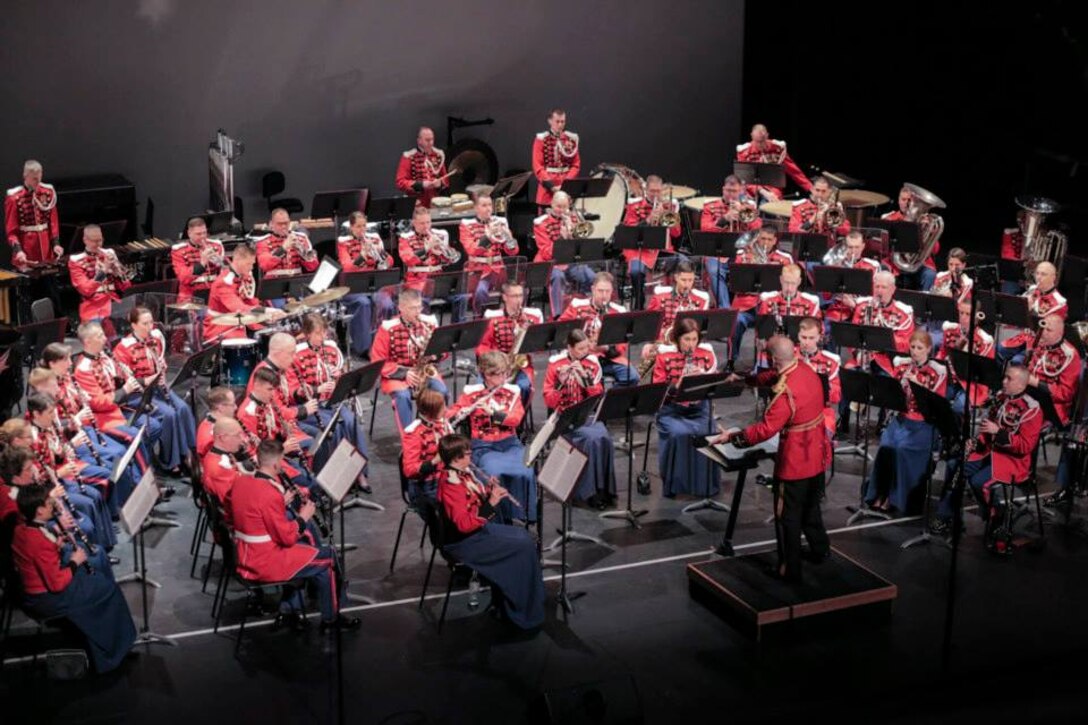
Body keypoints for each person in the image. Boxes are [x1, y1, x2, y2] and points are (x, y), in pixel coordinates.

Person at [715, 335, 831, 582]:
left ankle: (790, 570)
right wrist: (746, 380)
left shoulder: (786, 393)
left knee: (787, 517)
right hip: (818, 455)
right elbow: (773, 376)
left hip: (795, 463)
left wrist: (734, 437)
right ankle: (821, 551)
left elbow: (765, 430)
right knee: (811, 509)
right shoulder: (806, 370)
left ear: (773, 359)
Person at [230, 440, 359, 632]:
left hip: (244, 553)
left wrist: (279, 504)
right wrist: (303, 517)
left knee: (307, 543)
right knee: (330, 558)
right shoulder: (268, 493)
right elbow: (287, 538)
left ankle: (290, 609)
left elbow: (256, 513)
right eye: (281, 461)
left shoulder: (241, 482)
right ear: (275, 464)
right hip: (264, 561)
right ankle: (331, 620)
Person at [8, 482, 136, 672]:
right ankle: (109, 655)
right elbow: (57, 584)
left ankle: (111, 642)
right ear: (40, 511)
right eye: (49, 502)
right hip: (46, 599)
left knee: (97, 579)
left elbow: (37, 557)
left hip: (34, 590)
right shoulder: (37, 541)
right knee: (106, 589)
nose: (53, 504)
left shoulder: (21, 529)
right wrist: (75, 561)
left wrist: (56, 545)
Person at [435, 434, 545, 631]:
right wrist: (492, 503)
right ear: (456, 458)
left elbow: (472, 499)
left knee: (524, 538)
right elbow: (464, 524)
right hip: (466, 542)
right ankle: (520, 613)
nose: (471, 458)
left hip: (477, 533)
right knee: (524, 545)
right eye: (468, 454)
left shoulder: (462, 471)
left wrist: (487, 490)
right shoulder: (451, 484)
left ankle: (512, 603)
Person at [935, 365, 1042, 546]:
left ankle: (996, 516)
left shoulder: (1032, 409)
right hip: (989, 451)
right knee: (955, 465)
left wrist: (999, 433)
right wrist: (976, 442)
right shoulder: (1000, 398)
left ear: (1022, 385)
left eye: (1009, 379)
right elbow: (986, 430)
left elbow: (1025, 446)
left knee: (979, 482)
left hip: (1012, 460)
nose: (1004, 381)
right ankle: (949, 518)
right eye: (1004, 377)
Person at [862, 331, 947, 515]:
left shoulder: (938, 371)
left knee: (901, 449)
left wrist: (921, 388)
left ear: (929, 349)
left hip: (923, 423)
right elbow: (893, 395)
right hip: (902, 418)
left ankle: (896, 498)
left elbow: (936, 405)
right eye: (913, 347)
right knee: (885, 446)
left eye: (919, 348)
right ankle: (880, 493)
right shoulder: (902, 365)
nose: (915, 352)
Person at [447, 352, 536, 521]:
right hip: (484, 447)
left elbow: (516, 419)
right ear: (486, 374)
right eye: (498, 374)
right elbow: (451, 413)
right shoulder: (472, 394)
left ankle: (520, 515)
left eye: (505, 373)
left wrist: (493, 413)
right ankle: (496, 518)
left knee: (526, 471)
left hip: (510, 444)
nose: (503, 378)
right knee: (493, 472)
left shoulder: (512, 392)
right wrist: (461, 412)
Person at [113, 306, 198, 472]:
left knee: (183, 408)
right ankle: (171, 462)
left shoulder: (156, 339)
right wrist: (148, 380)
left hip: (158, 387)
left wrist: (161, 371)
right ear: (134, 325)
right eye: (145, 323)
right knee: (169, 414)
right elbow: (125, 380)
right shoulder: (123, 348)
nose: (149, 327)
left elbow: (158, 361)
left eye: (151, 322)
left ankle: (190, 452)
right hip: (138, 394)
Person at [542, 329, 617, 508]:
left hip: (586, 414)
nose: (585, 352)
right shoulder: (555, 365)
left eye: (586, 348)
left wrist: (586, 379)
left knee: (604, 437)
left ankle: (603, 490)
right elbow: (549, 400)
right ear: (569, 348)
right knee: (590, 440)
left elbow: (598, 395)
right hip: (565, 417)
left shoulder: (592, 362)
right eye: (580, 349)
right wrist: (561, 382)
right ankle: (589, 493)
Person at [652, 318, 719, 498]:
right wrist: (677, 385)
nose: (691, 344)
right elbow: (657, 392)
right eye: (686, 340)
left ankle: (704, 486)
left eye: (694, 339)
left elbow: (715, 383)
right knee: (679, 433)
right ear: (677, 339)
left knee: (709, 431)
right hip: (671, 410)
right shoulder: (664, 357)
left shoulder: (707, 355)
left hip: (699, 408)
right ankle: (676, 485)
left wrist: (703, 378)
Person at [371, 288, 449, 429]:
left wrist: (435, 354)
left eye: (419, 306)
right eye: (413, 308)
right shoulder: (388, 328)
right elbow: (377, 360)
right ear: (401, 308)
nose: (418, 311)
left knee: (442, 391)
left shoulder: (429, 323)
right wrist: (404, 374)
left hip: (424, 370)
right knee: (402, 397)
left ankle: (434, 429)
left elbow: (443, 350)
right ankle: (409, 435)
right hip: (397, 375)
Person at [726, 227, 794, 372]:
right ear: (757, 238)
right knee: (736, 321)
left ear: (775, 241)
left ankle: (765, 364)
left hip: (772, 306)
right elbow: (736, 284)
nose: (766, 242)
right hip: (746, 305)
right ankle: (732, 360)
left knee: (767, 324)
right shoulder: (744, 255)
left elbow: (791, 285)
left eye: (769, 240)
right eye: (763, 239)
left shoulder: (785, 259)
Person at [558, 272, 636, 386]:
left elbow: (623, 345)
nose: (604, 295)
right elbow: (561, 330)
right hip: (582, 359)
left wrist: (606, 348)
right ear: (593, 289)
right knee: (585, 383)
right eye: (600, 291)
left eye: (607, 291)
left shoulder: (619, 311)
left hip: (608, 360)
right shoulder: (576, 306)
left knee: (632, 377)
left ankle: (609, 402)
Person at [336, 210, 396, 357]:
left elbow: (390, 262)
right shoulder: (343, 243)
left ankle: (385, 344)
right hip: (353, 286)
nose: (362, 230)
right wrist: (362, 256)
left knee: (387, 304)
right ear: (351, 227)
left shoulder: (374, 240)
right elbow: (347, 267)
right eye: (358, 226)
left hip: (374, 283)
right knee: (363, 304)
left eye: (364, 226)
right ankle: (365, 348)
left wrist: (379, 253)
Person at [698, 174, 762, 308]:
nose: (731, 195)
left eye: (735, 191)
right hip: (719, 251)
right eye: (728, 191)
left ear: (741, 191)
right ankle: (725, 309)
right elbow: (704, 229)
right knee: (714, 270)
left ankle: (746, 307)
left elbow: (758, 229)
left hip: (743, 250)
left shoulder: (748, 206)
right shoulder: (710, 206)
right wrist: (724, 219)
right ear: (723, 189)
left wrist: (743, 212)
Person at [476, 281, 544, 405]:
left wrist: (530, 333)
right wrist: (494, 359)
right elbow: (482, 346)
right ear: (505, 297)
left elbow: (540, 348)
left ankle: (517, 419)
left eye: (520, 295)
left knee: (523, 387)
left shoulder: (532, 317)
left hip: (520, 366)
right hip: (494, 366)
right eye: (515, 296)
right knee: (479, 387)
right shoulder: (493, 318)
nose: (519, 300)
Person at [620, 175, 683, 306]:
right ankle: (639, 303)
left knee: (685, 263)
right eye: (652, 191)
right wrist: (647, 220)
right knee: (636, 271)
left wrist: (665, 218)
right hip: (639, 250)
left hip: (661, 249)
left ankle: (676, 301)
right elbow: (629, 232)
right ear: (645, 190)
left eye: (658, 191)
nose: (655, 195)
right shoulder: (634, 206)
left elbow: (676, 234)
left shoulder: (669, 206)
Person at [204, 244, 286, 343]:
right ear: (238, 260)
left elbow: (250, 302)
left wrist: (271, 311)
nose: (251, 268)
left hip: (238, 320)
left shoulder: (243, 276)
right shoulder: (223, 283)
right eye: (249, 264)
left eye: (252, 264)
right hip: (221, 327)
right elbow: (239, 308)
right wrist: (267, 313)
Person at [531, 190, 596, 315]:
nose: (561, 210)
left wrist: (572, 235)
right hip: (548, 263)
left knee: (591, 277)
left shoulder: (572, 218)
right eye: (558, 206)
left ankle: (580, 306)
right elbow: (546, 252)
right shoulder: (541, 223)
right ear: (551, 204)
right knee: (558, 277)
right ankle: (557, 315)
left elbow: (580, 247)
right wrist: (562, 239)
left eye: (565, 207)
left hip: (569, 262)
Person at [397, 206, 465, 320]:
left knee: (461, 297)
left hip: (438, 280)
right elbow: (408, 259)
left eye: (428, 222)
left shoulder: (439, 235)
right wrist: (427, 248)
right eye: (422, 223)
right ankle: (426, 330)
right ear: (414, 223)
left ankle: (455, 330)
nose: (426, 226)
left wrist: (442, 252)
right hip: (417, 282)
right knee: (422, 301)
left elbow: (448, 261)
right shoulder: (406, 239)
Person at [459, 195, 519, 314]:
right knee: (481, 292)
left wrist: (509, 237)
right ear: (476, 208)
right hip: (478, 271)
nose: (488, 209)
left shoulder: (500, 222)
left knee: (517, 291)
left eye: (490, 205)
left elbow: (513, 252)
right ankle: (480, 318)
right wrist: (488, 237)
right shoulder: (467, 225)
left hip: (499, 270)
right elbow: (471, 250)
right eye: (484, 205)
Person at [848, 271, 915, 376]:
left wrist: (880, 340)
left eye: (884, 287)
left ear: (893, 290)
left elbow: (905, 344)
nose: (879, 291)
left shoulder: (904, 313)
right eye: (877, 286)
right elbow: (852, 336)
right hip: (862, 358)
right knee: (847, 375)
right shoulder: (863, 306)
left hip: (887, 362)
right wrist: (857, 354)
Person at [998, 261, 1067, 359]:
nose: (1038, 277)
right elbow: (1015, 317)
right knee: (1000, 349)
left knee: (1017, 361)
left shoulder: (1059, 303)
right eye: (1037, 273)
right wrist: (1024, 306)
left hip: (1040, 344)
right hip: (1025, 336)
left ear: (1053, 277)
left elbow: (1050, 331)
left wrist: (1031, 311)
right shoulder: (1033, 290)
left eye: (1043, 274)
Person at [937, 299, 995, 412]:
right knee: (937, 397)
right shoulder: (950, 330)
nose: (963, 317)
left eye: (968, 314)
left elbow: (985, 372)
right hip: (950, 377)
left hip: (972, 384)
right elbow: (942, 352)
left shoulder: (984, 341)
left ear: (976, 317)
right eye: (961, 313)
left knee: (958, 407)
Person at [1023, 315, 1081, 427]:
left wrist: (1036, 383)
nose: (1043, 332)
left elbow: (1066, 394)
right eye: (1043, 328)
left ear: (1060, 334)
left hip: (1053, 406)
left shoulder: (1069, 355)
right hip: (1032, 395)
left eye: (1049, 330)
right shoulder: (1040, 344)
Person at [67, 224, 131, 323]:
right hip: (93, 308)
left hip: (115, 303)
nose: (98, 244)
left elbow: (127, 288)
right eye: (94, 241)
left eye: (100, 240)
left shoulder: (108, 254)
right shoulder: (76, 261)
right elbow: (86, 290)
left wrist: (117, 272)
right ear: (85, 240)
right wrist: (104, 270)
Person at [401, 389, 454, 506]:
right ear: (431, 412)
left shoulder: (441, 424)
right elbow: (409, 470)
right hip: (426, 486)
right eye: (442, 407)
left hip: (446, 478)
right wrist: (435, 461)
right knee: (458, 510)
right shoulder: (413, 434)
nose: (446, 410)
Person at [880, 186, 939, 291]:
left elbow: (935, 250)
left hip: (919, 264)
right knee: (883, 271)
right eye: (903, 199)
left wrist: (929, 232)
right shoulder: (889, 219)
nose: (907, 203)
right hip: (894, 263)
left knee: (930, 275)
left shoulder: (925, 221)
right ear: (898, 201)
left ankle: (924, 304)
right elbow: (882, 246)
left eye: (910, 200)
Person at [5, 159, 61, 266]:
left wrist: (56, 244)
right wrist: (19, 251)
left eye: (39, 178)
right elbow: (11, 231)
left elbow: (53, 223)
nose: (38, 182)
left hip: (47, 250)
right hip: (27, 248)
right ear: (25, 176)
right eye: (34, 179)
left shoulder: (48, 192)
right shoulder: (14, 198)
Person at [735, 124, 812, 201]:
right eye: (757, 142)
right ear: (751, 136)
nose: (760, 145)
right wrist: (762, 191)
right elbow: (744, 179)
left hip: (773, 190)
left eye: (762, 141)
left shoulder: (777, 148)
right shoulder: (744, 152)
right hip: (750, 190)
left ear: (767, 136)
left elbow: (794, 171)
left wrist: (810, 188)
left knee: (770, 203)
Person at [823, 231, 881, 330]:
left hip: (863, 309)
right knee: (827, 329)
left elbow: (875, 296)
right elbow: (826, 296)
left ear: (863, 246)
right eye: (850, 247)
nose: (853, 251)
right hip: (839, 309)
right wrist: (834, 272)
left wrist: (855, 304)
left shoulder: (873, 266)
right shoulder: (836, 263)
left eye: (857, 247)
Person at [796, 317, 841, 439]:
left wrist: (817, 378)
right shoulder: (789, 355)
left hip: (820, 410)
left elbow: (836, 397)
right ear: (798, 336)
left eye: (811, 338)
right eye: (803, 337)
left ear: (819, 338)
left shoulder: (830, 361)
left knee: (824, 429)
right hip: (793, 408)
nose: (806, 342)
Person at [201, 417, 253, 521]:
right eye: (238, 435)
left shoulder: (218, 455)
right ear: (223, 437)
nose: (242, 439)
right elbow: (238, 504)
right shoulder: (219, 468)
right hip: (244, 522)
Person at [532, 108, 581, 208]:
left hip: (566, 187)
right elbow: (538, 166)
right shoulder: (541, 139)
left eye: (562, 121)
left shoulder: (570, 139)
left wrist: (565, 184)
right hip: (548, 189)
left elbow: (576, 165)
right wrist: (552, 186)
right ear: (550, 121)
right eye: (557, 121)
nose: (560, 125)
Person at [171, 216, 226, 302]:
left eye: (204, 233)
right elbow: (183, 278)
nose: (203, 237)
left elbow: (225, 273)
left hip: (214, 292)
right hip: (191, 295)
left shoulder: (216, 246)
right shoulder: (179, 251)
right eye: (198, 234)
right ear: (189, 233)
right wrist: (202, 263)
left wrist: (220, 263)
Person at [255, 208, 319, 278]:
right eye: (279, 224)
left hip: (296, 281)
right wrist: (283, 248)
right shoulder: (263, 242)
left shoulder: (301, 238)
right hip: (274, 282)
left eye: (286, 223)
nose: (283, 227)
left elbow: (313, 266)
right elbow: (264, 265)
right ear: (271, 224)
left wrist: (302, 250)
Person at [395, 126, 449, 208]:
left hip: (436, 203)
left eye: (432, 139)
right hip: (417, 204)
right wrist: (421, 184)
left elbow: (445, 179)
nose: (431, 143)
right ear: (419, 141)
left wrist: (439, 183)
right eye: (427, 140)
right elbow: (400, 182)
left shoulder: (438, 155)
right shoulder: (409, 156)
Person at [788, 176, 851, 240]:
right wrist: (812, 219)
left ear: (829, 192)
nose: (820, 195)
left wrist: (830, 218)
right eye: (817, 190)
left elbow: (846, 231)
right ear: (812, 190)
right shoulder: (800, 206)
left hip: (828, 247)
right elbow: (793, 231)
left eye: (824, 191)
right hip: (806, 245)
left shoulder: (834, 207)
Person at [197, 387, 238, 457]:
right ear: (221, 407)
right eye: (232, 405)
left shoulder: (223, 422)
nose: (236, 407)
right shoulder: (210, 439)